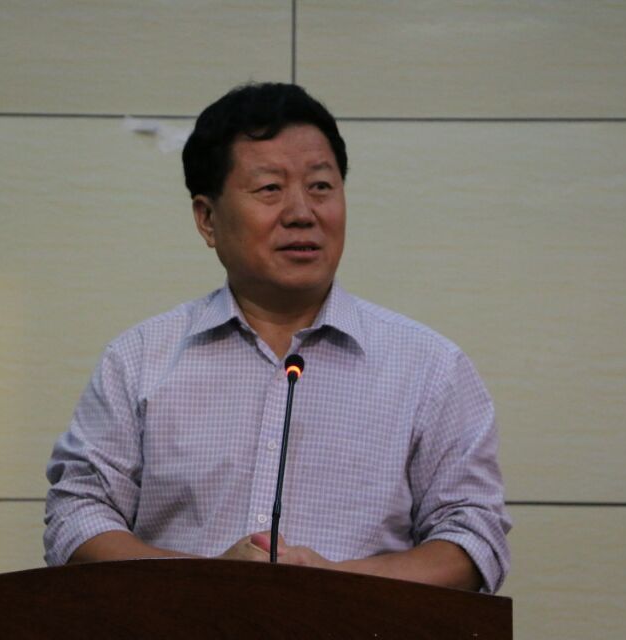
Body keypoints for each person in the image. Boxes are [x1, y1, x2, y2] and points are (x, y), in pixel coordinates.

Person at [44, 83, 511, 592]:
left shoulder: (430, 367)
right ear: (207, 219)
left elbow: (473, 540)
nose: (301, 212)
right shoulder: (138, 360)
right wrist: (207, 582)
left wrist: (331, 585)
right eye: (270, 189)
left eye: (321, 186)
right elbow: (77, 515)